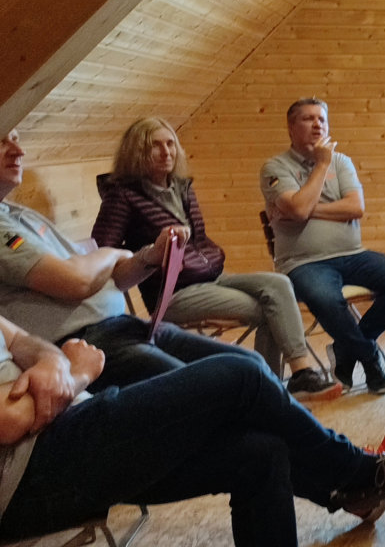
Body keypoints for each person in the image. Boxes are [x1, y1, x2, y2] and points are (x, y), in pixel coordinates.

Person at [0, 313, 385, 547]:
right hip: (26, 477)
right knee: (241, 377)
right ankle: (356, 472)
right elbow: (10, 421)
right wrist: (76, 373)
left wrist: (51, 363)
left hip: (67, 426)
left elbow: (18, 335)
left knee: (261, 452)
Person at [91, 117, 341, 401]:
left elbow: (198, 240)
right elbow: (101, 250)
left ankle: (295, 375)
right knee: (270, 310)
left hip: (212, 276)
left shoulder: (182, 186)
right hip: (174, 293)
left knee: (278, 284)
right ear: (136, 152)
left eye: (170, 144)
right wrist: (149, 252)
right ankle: (269, 389)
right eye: (155, 146)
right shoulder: (122, 196)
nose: (166, 152)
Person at [0, 130, 246, 390]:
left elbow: (111, 277)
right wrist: (113, 253)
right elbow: (77, 281)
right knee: (216, 386)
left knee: (246, 366)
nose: (19, 151)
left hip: (127, 325)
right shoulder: (5, 229)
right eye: (2, 141)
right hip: (86, 343)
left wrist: (150, 255)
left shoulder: (19, 214)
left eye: (16, 139)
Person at [260, 98, 385, 395]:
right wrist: (321, 165)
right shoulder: (275, 167)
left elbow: (354, 207)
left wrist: (305, 209)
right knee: (326, 299)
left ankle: (346, 350)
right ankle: (369, 358)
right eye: (308, 119)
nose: (317, 125)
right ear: (291, 127)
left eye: (322, 119)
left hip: (353, 255)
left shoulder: (341, 161)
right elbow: (297, 209)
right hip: (303, 262)